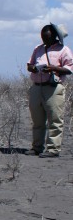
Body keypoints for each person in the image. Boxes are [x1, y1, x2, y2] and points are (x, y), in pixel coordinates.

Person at [25, 23, 72, 158]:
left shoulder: (64, 50)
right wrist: (33, 68)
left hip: (53, 88)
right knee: (37, 120)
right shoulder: (38, 49)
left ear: (55, 37)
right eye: (43, 37)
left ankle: (53, 149)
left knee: (55, 119)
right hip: (37, 86)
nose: (44, 40)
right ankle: (37, 147)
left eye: (47, 37)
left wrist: (53, 68)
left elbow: (69, 69)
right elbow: (30, 64)